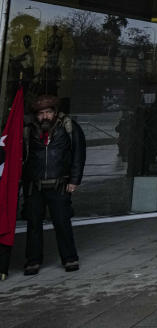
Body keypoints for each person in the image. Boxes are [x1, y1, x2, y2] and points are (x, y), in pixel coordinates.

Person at [22, 94, 86, 275]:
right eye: (41, 113)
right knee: (33, 224)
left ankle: (70, 258)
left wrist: (74, 180)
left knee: (62, 223)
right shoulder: (29, 129)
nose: (45, 116)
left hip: (60, 184)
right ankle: (33, 260)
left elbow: (78, 155)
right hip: (35, 185)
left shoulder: (68, 127)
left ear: (55, 113)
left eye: (48, 112)